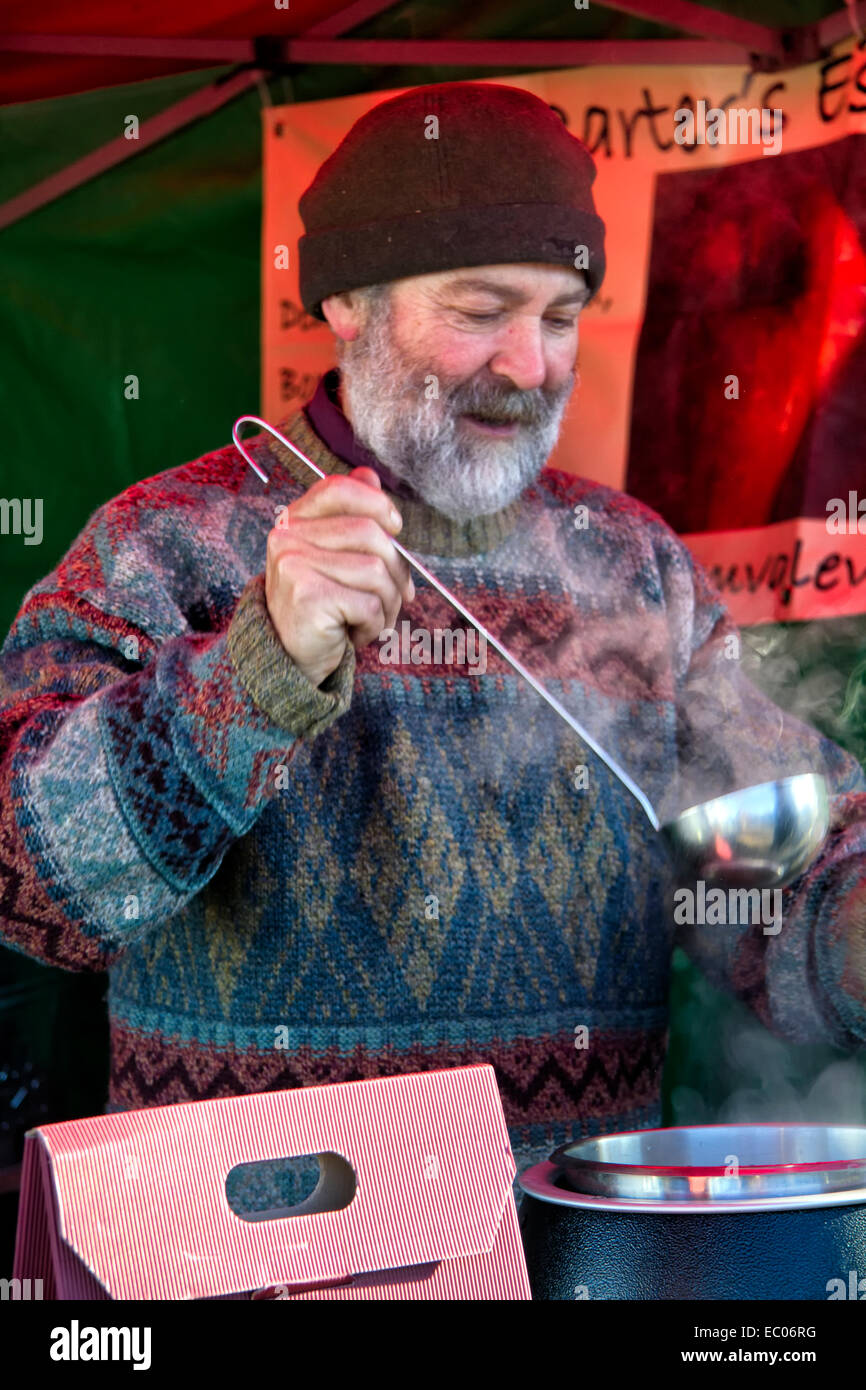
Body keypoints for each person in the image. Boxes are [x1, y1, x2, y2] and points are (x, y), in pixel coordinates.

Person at [1, 83, 864, 1218]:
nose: (527, 364)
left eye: (559, 316)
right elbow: (26, 883)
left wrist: (845, 923)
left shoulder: (633, 567)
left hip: (575, 1257)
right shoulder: (163, 546)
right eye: (480, 306)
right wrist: (256, 667)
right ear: (348, 301)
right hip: (245, 1262)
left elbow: (761, 869)